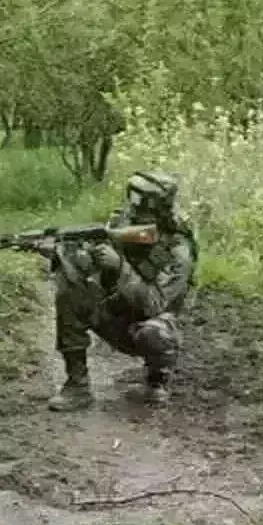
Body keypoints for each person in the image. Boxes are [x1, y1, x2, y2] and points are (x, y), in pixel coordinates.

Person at [47, 170, 198, 411]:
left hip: (150, 326)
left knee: (156, 332)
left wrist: (119, 266)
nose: (134, 208)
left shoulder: (178, 249)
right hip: (116, 313)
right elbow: (92, 273)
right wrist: (69, 257)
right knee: (70, 292)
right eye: (133, 199)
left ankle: (157, 381)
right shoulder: (121, 225)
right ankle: (78, 385)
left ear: (157, 206)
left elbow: (155, 304)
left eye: (141, 202)